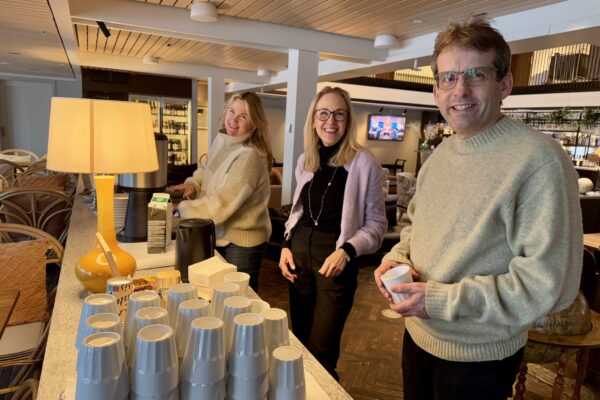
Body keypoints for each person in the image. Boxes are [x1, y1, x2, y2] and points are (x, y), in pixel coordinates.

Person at [374, 17, 583, 400]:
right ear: (436, 89)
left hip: (478, 360)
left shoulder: (539, 160)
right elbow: (415, 228)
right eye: (448, 78)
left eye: (476, 74)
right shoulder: (440, 155)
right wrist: (396, 257)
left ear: (504, 84)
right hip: (417, 338)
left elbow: (549, 285)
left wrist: (438, 300)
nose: (460, 89)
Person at [279, 86, 387, 380]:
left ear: (348, 120)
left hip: (335, 258)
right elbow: (298, 212)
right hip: (299, 254)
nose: (331, 121)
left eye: (339, 114)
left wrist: (347, 251)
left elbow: (378, 225)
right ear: (313, 120)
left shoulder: (364, 163)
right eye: (324, 113)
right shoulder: (306, 160)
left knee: (322, 349)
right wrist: (286, 245)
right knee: (299, 338)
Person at [170, 92, 272, 291]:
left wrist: (180, 208)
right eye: (232, 111)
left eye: (243, 116)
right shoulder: (223, 139)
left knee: (238, 301)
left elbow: (220, 205)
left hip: (242, 242)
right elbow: (206, 169)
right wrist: (193, 183)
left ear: (254, 123)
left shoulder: (250, 156)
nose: (233, 119)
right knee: (218, 294)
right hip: (219, 233)